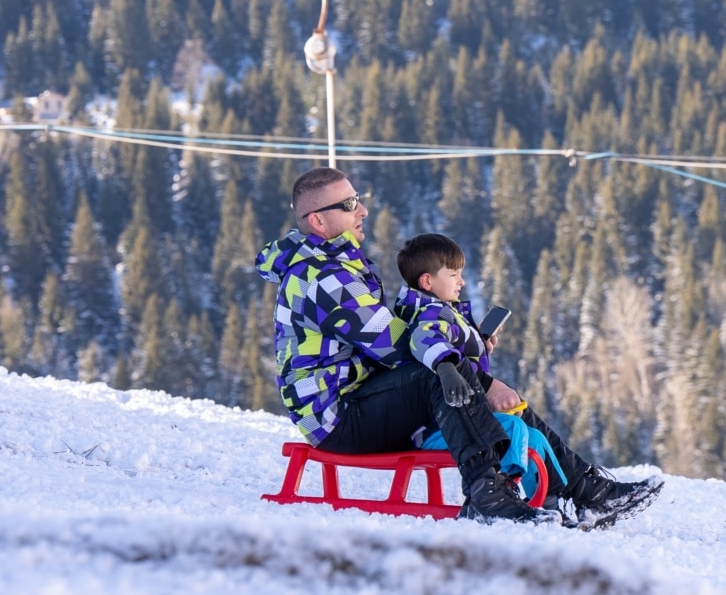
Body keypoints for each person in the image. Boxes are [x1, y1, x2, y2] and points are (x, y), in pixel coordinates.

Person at [254, 167, 660, 528]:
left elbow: (399, 333)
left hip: (359, 398)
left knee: (452, 370)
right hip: (337, 417)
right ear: (319, 220)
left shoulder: (338, 266)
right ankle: (489, 495)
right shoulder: (323, 278)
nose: (362, 211)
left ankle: (584, 490)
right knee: (439, 373)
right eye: (350, 203)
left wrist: (467, 353)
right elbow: (396, 346)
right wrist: (475, 368)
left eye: (359, 200)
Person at [394, 232, 662, 527]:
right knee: (515, 424)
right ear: (427, 282)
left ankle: (558, 502)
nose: (462, 281)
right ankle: (514, 492)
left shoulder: (442, 311)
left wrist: (477, 344)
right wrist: (446, 365)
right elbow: (426, 340)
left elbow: (453, 354)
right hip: (441, 425)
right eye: (454, 274)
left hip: (460, 418)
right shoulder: (429, 313)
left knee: (533, 434)